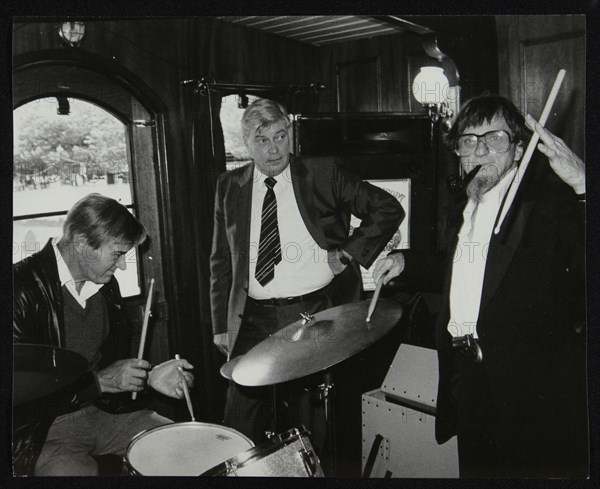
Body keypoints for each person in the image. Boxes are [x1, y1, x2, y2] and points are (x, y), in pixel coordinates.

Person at [374, 95, 587, 478]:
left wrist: (584, 184)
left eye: (496, 138)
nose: (481, 148)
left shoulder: (546, 206)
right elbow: (472, 269)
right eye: (469, 140)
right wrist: (409, 262)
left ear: (519, 150)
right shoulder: (464, 205)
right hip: (468, 378)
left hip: (530, 388)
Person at [210, 98, 404, 454]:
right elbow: (220, 258)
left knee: (309, 429)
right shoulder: (228, 186)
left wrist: (347, 252)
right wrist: (220, 323)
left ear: (291, 135)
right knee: (237, 424)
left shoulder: (322, 174)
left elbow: (388, 207)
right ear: (246, 143)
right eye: (262, 140)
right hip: (251, 318)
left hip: (312, 315)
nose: (274, 150)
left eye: (280, 137)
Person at [13, 193, 195, 476]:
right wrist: (97, 383)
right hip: (42, 430)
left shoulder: (106, 287)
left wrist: (149, 377)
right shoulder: (19, 289)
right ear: (83, 244)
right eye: (118, 254)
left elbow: (113, 371)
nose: (122, 266)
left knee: (184, 444)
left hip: (107, 413)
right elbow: (19, 394)